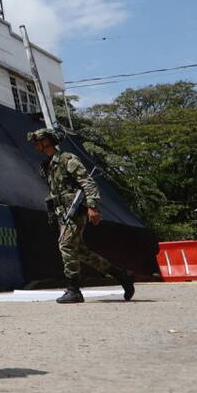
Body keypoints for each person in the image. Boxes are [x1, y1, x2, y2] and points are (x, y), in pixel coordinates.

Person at [27, 128, 135, 304]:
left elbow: (87, 182)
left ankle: (74, 290)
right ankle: (121, 275)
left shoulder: (67, 159)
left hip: (74, 210)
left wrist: (93, 207)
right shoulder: (47, 165)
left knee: (66, 245)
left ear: (47, 141)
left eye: (37, 141)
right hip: (62, 212)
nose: (35, 145)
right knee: (81, 252)